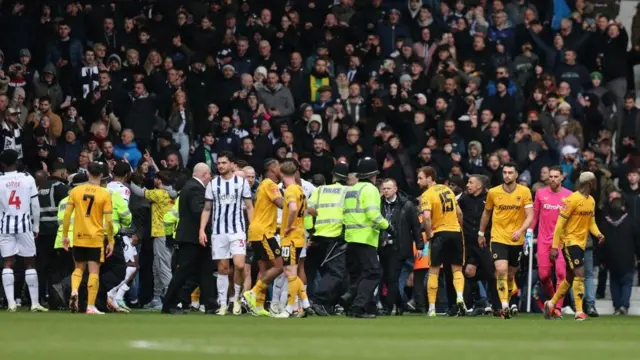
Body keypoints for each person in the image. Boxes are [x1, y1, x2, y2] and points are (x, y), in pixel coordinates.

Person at [545, 172, 605, 321]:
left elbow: (591, 222)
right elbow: (560, 224)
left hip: (581, 242)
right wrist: (554, 246)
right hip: (570, 242)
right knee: (580, 273)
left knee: (570, 278)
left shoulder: (591, 200)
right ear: (590, 183)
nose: (597, 184)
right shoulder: (572, 199)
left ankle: (551, 304)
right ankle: (579, 312)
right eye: (595, 181)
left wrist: (598, 234)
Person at [199, 151, 254, 316]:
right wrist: (202, 230)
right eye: (219, 163)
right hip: (218, 232)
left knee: (239, 265)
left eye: (224, 162)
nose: (220, 165)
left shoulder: (241, 183)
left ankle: (236, 298)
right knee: (223, 268)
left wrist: (253, 228)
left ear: (231, 164)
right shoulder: (212, 184)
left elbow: (250, 207)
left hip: (237, 230)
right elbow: (207, 209)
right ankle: (223, 303)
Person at [479, 162, 534, 319]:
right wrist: (481, 232)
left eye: (510, 172)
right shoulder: (494, 192)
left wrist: (521, 230)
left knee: (511, 275)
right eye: (505, 172)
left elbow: (530, 215)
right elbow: (486, 213)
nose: (507, 175)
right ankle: (504, 305)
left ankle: (508, 301)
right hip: (498, 237)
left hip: (517, 239)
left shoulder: (524, 192)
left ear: (516, 175)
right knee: (501, 270)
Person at [341, 157, 393, 318]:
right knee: (373, 272)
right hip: (365, 237)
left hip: (351, 237)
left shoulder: (351, 189)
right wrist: (388, 226)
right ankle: (358, 307)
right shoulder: (370, 190)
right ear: (373, 175)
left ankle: (350, 302)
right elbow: (372, 214)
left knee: (357, 274)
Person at [62, 162, 114, 314]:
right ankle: (90, 306)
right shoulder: (104, 194)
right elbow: (109, 221)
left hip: (78, 236)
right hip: (95, 237)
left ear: (87, 173)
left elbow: (67, 215)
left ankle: (74, 291)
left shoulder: (76, 191)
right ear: (102, 175)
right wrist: (110, 240)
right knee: (93, 272)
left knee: (78, 268)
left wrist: (65, 235)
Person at [162, 163, 213, 314]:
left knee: (205, 270)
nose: (210, 178)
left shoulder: (189, 186)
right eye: (209, 175)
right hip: (192, 237)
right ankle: (169, 304)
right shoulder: (195, 188)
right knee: (183, 272)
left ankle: (211, 304)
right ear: (204, 174)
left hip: (191, 236)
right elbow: (198, 211)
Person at [0, 150, 46, 312]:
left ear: (3, 164)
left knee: (8, 261)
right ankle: (34, 303)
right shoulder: (27, 179)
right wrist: (36, 227)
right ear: (17, 162)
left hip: (5, 226)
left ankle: (11, 303)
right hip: (24, 225)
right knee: (29, 261)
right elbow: (35, 205)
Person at [417, 166, 464, 317]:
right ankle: (460, 297)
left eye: (421, 178)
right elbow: (459, 213)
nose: (418, 181)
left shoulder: (427, 195)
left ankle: (431, 308)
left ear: (430, 178)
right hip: (455, 232)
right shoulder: (447, 190)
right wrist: (459, 230)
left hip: (439, 234)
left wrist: (429, 234)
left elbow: (426, 217)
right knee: (457, 269)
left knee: (434, 271)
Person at [305, 162, 349, 316]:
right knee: (336, 273)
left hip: (317, 237)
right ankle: (318, 301)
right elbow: (348, 215)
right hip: (335, 237)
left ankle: (325, 304)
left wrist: (311, 231)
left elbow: (308, 211)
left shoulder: (320, 190)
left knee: (322, 272)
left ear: (333, 175)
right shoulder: (346, 192)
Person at [529, 166, 572, 318]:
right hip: (543, 241)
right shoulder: (540, 194)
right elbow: (535, 216)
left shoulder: (569, 196)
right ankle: (553, 301)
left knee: (561, 274)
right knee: (544, 275)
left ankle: (557, 307)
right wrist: (529, 232)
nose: (553, 179)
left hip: (561, 241)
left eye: (556, 176)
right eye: (551, 176)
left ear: (562, 178)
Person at [243, 159, 284, 317]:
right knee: (279, 266)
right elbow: (280, 203)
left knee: (264, 268)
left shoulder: (261, 186)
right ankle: (252, 293)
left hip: (256, 231)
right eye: (279, 167)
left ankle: (258, 305)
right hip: (264, 232)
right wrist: (296, 203)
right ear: (273, 169)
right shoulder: (270, 184)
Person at [271, 161, 313, 318]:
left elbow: (294, 208)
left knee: (290, 273)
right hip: (300, 236)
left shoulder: (289, 190)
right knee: (292, 272)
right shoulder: (300, 189)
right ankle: (306, 304)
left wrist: (288, 226)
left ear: (282, 174)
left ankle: (290, 308)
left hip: (290, 238)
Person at [131, 171, 175, 310]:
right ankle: (157, 299)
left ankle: (171, 299)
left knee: (163, 267)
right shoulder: (172, 192)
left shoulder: (159, 194)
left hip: (161, 233)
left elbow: (138, 191)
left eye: (156, 179)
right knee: (157, 267)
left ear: (159, 181)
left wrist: (129, 178)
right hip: (167, 233)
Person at [379, 178, 422, 315]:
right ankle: (401, 304)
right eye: (384, 188)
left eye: (388, 188)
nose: (386, 191)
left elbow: (415, 227)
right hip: (382, 245)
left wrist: (419, 245)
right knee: (386, 277)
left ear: (395, 189)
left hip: (399, 246)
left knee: (392, 277)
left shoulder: (406, 205)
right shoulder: (379, 204)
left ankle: (388, 307)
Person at [458, 174, 500, 316]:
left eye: (471, 183)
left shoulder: (489, 198)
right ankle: (478, 302)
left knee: (491, 275)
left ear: (479, 186)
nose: (468, 185)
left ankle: (497, 306)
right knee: (469, 272)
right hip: (469, 243)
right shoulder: (463, 199)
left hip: (485, 242)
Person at [105, 162, 137, 312]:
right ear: (127, 175)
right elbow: (122, 210)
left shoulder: (105, 187)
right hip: (118, 231)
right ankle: (113, 295)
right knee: (132, 265)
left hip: (101, 230)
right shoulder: (124, 190)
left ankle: (112, 296)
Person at [600, 197, 640, 315]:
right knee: (627, 282)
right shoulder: (631, 222)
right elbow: (638, 241)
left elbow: (600, 243)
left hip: (610, 258)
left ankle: (617, 306)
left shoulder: (604, 223)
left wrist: (602, 259)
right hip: (627, 257)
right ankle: (623, 305)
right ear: (623, 207)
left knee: (614, 282)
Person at [36, 161, 68, 306]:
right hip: (55, 232)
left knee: (41, 267)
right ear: (62, 173)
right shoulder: (60, 187)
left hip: (39, 232)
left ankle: (40, 297)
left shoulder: (39, 186)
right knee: (56, 267)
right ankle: (55, 299)